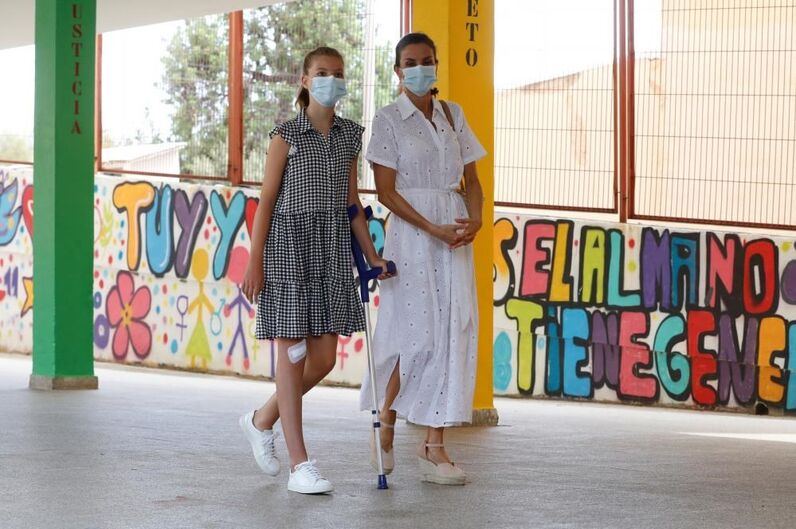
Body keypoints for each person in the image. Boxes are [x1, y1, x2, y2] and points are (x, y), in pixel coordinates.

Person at [239, 46, 392, 495]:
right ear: (305, 81)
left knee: (323, 359)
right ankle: (299, 465)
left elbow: (352, 203)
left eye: (337, 73)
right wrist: (255, 260)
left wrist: (372, 255)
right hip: (288, 248)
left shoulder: (349, 136)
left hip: (331, 251)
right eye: (322, 72)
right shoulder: (286, 134)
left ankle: (261, 420)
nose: (331, 79)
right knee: (292, 358)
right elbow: (267, 200)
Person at [360, 32, 487, 486]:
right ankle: (387, 421)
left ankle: (434, 445)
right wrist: (431, 227)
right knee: (414, 335)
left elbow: (472, 180)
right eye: (410, 62)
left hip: (454, 234)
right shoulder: (388, 119)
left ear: (436, 64)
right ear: (398, 71)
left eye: (427, 60)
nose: (420, 68)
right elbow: (385, 192)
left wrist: (476, 219)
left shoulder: (453, 114)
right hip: (413, 236)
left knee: (452, 332)